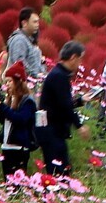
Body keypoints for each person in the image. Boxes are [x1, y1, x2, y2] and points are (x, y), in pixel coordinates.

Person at [37, 41, 91, 176]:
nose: (80, 63)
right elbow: (65, 106)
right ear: (73, 57)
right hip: (51, 130)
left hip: (53, 130)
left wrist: (79, 101)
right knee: (58, 171)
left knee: (62, 168)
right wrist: (79, 125)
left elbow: (60, 103)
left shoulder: (59, 74)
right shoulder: (59, 76)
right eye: (80, 58)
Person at [0, 61, 38, 178]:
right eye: (6, 81)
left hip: (19, 147)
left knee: (18, 182)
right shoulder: (11, 99)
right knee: (7, 180)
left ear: (18, 81)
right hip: (7, 146)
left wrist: (2, 107)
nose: (7, 84)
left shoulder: (27, 101)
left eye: (10, 81)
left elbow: (20, 119)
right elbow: (5, 121)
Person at [6, 7, 45, 80]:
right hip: (23, 87)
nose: (37, 25)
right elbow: (19, 64)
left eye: (38, 22)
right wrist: (35, 75)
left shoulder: (29, 40)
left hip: (32, 86)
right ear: (24, 23)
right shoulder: (19, 40)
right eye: (34, 22)